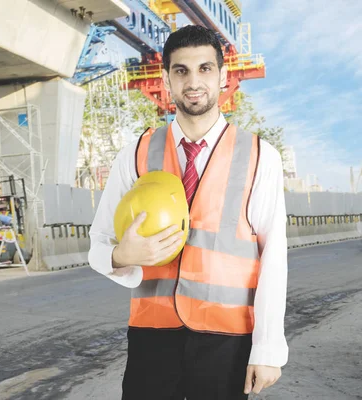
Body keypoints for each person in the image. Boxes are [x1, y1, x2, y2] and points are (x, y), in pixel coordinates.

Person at [88, 25, 288, 400]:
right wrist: (119, 256)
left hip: (227, 338)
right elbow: (98, 241)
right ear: (165, 79)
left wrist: (268, 349)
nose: (193, 81)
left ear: (223, 75)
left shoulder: (261, 156)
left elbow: (273, 258)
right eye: (181, 70)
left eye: (205, 69)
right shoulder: (135, 153)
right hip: (151, 336)